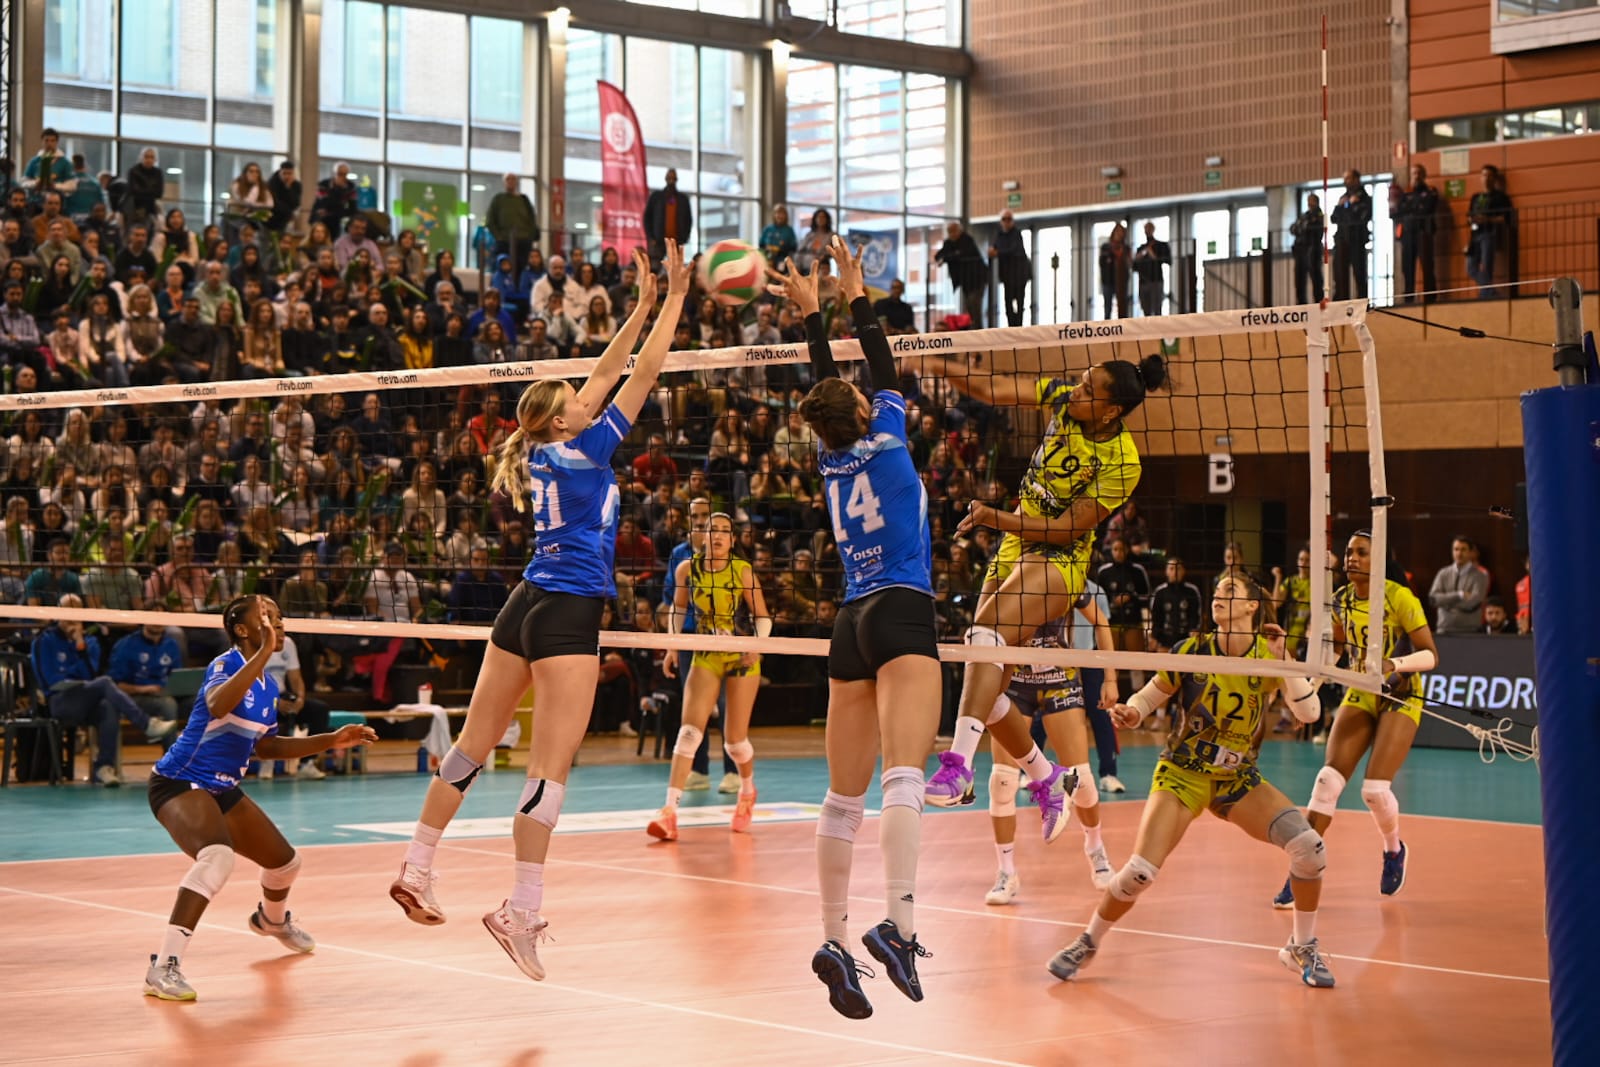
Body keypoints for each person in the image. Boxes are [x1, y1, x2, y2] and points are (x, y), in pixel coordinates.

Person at [387, 245, 687, 982]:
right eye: (578, 398)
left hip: (523, 604)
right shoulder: (589, 447)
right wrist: (677, 295)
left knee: (467, 749)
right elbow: (640, 371)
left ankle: (417, 864)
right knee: (549, 770)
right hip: (567, 613)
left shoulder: (546, 448)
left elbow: (609, 369)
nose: (591, 397)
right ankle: (521, 908)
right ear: (563, 418)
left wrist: (640, 304)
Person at [767, 237, 939, 1021]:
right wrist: (851, 296)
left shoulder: (833, 459)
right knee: (905, 775)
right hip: (902, 608)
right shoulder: (892, 440)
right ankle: (898, 927)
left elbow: (834, 386)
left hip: (851, 621)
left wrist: (813, 316)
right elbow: (882, 364)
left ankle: (834, 938)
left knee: (843, 797)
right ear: (865, 413)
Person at [913, 343, 1166, 833]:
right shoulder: (1064, 400)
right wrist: (933, 363)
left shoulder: (1123, 462)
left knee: (985, 635)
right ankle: (1045, 777)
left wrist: (994, 516)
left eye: (1090, 390)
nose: (1077, 391)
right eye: (1082, 381)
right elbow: (992, 389)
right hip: (1016, 543)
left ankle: (958, 767)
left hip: (1060, 555)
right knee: (983, 662)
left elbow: (1069, 528)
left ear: (1112, 410)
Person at [1047, 575, 1335, 988]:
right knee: (1138, 872)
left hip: (1238, 780)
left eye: (1230, 591)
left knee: (1309, 849)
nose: (1219, 595)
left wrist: (1285, 658)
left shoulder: (1268, 655)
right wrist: (1133, 712)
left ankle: (1300, 946)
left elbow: (1308, 716)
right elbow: (1148, 697)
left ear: (1253, 607)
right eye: (1217, 589)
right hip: (1183, 775)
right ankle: (1088, 941)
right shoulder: (1192, 649)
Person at [141, 595, 376, 1001]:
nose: (280, 624)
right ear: (243, 629)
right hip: (179, 781)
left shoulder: (268, 684)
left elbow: (265, 748)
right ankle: (163, 967)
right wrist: (265, 651)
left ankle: (271, 920)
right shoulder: (225, 664)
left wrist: (332, 740)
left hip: (222, 787)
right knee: (218, 856)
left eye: (281, 618)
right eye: (269, 617)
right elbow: (217, 704)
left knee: (286, 864)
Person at [1272, 530, 1439, 908]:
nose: (1351, 558)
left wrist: (1394, 664)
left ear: (1376, 560)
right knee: (1327, 781)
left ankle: (1393, 850)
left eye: (1361, 553)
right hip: (1362, 690)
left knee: (1375, 791)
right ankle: (1302, 870)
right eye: (1348, 552)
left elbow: (1430, 655)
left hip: (1401, 692)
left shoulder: (1399, 597)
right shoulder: (1341, 601)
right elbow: (1332, 657)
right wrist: (1307, 696)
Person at [984, 602, 1121, 906]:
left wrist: (1110, 678)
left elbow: (1102, 622)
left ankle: (1096, 848)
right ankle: (1006, 873)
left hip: (1060, 680)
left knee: (1082, 780)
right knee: (1002, 781)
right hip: (1014, 682)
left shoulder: (1067, 573)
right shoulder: (1005, 572)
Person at [648, 512, 772, 839]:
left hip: (741, 657)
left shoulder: (743, 571)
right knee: (689, 732)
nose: (717, 535)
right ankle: (669, 811)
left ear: (732, 539)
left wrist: (757, 645)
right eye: (710, 529)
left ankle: (747, 791)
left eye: (724, 531)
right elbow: (677, 609)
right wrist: (673, 647)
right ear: (701, 535)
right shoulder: (687, 569)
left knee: (735, 742)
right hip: (705, 653)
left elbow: (762, 615)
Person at [31, 594, 180, 787]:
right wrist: (75, 677)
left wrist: (80, 646)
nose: (71, 617)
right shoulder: (44, 640)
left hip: (87, 699)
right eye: (67, 612)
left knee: (108, 705)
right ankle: (146, 724)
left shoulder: (89, 642)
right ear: (58, 613)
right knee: (104, 683)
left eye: (76, 612)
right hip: (60, 701)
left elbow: (90, 673)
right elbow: (50, 679)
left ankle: (103, 767)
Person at [109, 618, 184, 725]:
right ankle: (174, 742)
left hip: (165, 693)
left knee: (200, 701)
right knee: (168, 705)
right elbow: (116, 685)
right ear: (143, 619)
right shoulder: (126, 645)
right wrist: (144, 689)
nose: (157, 621)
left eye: (160, 617)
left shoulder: (171, 645)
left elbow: (178, 676)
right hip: (135, 697)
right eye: (152, 617)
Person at [1465, 165, 1513, 299]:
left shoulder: (1500, 197)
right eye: (1484, 175)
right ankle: (1489, 291)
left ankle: (1485, 293)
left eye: (1489, 175)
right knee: (1470, 267)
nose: (1486, 178)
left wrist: (1487, 219)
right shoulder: (1476, 197)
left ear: (1495, 178)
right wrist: (1472, 219)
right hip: (1474, 234)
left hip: (1489, 233)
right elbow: (1469, 215)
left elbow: (1505, 218)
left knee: (1487, 266)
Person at [1395, 163, 1439, 304]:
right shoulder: (1406, 194)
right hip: (1408, 233)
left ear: (1423, 175)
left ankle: (1430, 296)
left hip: (1423, 232)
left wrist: (1411, 210)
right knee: (1407, 266)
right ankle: (1408, 296)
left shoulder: (1430, 191)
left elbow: (1427, 209)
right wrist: (1413, 209)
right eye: (1414, 173)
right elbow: (1399, 211)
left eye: (1419, 173)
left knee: (1427, 265)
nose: (1416, 176)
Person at [1427, 535, 1488, 635]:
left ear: (1470, 552)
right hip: (1444, 628)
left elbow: (1474, 602)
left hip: (1470, 630)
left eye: (1463, 550)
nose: (1459, 553)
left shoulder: (1480, 576)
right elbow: (1433, 599)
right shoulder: (1443, 573)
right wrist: (1459, 595)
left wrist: (1446, 604)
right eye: (1456, 549)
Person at [1330, 169, 1372, 301]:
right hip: (1342, 239)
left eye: (1348, 178)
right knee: (1340, 273)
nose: (1346, 181)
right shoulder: (1343, 198)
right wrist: (1345, 205)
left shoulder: (1365, 198)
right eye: (1345, 178)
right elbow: (1334, 218)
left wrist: (1347, 207)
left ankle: (1362, 301)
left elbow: (1362, 216)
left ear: (1356, 179)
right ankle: (1342, 300)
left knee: (1359, 272)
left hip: (1357, 239)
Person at [934, 221, 985, 324]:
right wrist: (944, 258)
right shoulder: (948, 243)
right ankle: (974, 329)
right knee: (969, 307)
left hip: (977, 279)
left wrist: (946, 258)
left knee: (974, 304)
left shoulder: (967, 240)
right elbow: (938, 255)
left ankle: (978, 329)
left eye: (954, 231)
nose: (952, 234)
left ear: (959, 230)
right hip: (965, 281)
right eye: (949, 231)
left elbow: (961, 254)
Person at [989, 211, 1031, 327]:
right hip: (1007, 276)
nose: (1006, 222)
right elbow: (994, 249)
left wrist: (997, 252)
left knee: (1019, 303)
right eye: (1004, 219)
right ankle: (1011, 327)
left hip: (1019, 275)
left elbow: (1012, 250)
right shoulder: (999, 235)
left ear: (1012, 221)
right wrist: (993, 251)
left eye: (1009, 219)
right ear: (1001, 221)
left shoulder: (1016, 234)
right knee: (1008, 304)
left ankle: (1019, 327)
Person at [486, 173, 540, 263]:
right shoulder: (498, 199)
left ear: (517, 182)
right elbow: (490, 220)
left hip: (523, 242)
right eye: (508, 179)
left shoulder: (524, 199)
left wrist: (529, 236)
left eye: (513, 179)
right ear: (504, 182)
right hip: (504, 242)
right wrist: (499, 236)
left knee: (522, 268)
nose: (511, 182)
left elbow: (532, 219)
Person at [642, 169, 691, 263]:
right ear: (665, 178)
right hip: (658, 241)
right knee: (654, 267)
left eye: (673, 178)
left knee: (675, 267)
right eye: (669, 178)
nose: (671, 180)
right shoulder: (656, 197)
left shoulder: (683, 199)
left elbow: (688, 220)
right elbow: (647, 218)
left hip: (677, 241)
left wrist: (685, 238)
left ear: (677, 179)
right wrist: (651, 237)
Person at [1291, 194, 1325, 304]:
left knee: (1316, 279)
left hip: (1313, 250)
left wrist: (1303, 227)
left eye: (1312, 201)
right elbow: (1293, 228)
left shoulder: (1319, 214)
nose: (1309, 203)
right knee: (1299, 280)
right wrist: (1302, 227)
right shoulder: (1305, 215)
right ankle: (1301, 304)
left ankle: (1319, 303)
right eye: (1308, 201)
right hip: (1301, 250)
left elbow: (1313, 228)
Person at [1131, 221, 1170, 317]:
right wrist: (1137, 258)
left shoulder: (1161, 245)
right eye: (1145, 229)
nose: (1147, 231)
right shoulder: (1141, 248)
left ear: (1153, 230)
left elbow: (1168, 260)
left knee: (1157, 309)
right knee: (1145, 310)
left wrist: (1152, 255)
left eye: (1149, 228)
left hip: (1156, 281)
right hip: (1143, 282)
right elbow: (1134, 267)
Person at [1098, 223, 1132, 319]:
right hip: (1108, 280)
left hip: (1122, 282)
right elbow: (1102, 263)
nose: (1119, 234)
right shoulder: (1105, 247)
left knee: (1122, 305)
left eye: (1121, 232)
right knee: (1108, 307)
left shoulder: (1126, 248)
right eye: (1117, 231)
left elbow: (1130, 264)